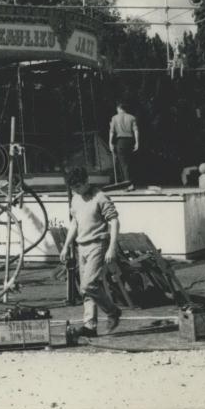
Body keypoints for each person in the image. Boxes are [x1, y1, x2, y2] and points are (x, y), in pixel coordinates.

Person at [59, 166, 121, 338]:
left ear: (86, 182)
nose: (76, 190)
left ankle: (112, 311)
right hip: (82, 246)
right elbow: (74, 224)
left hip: (97, 244)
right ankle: (90, 326)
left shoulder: (100, 197)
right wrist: (66, 246)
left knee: (88, 285)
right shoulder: (76, 198)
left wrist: (112, 247)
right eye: (73, 188)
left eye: (78, 186)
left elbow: (114, 221)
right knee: (86, 290)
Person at [109, 101, 140, 190]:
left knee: (123, 164)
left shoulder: (114, 118)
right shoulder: (132, 117)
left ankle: (128, 184)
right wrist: (137, 142)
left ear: (119, 109)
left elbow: (111, 132)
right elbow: (136, 131)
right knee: (130, 163)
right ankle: (130, 183)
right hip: (130, 141)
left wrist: (110, 143)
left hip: (121, 141)